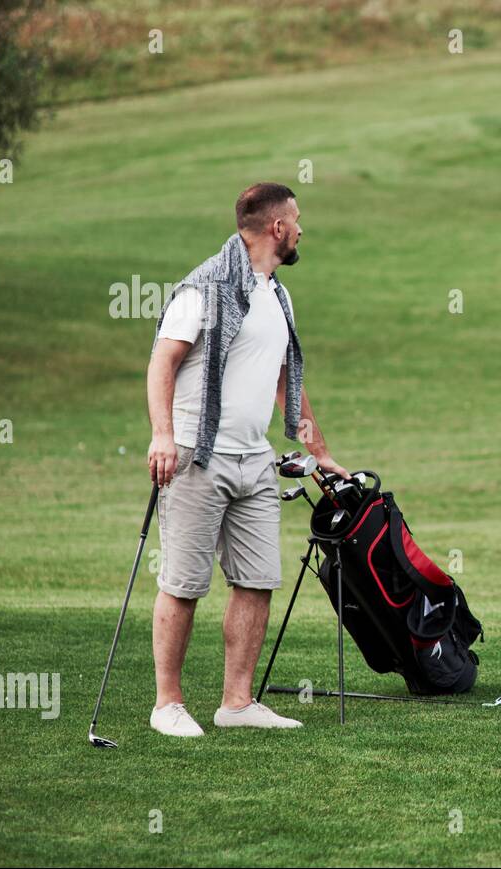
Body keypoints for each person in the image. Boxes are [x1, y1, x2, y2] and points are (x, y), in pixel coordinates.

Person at [144, 182, 348, 737]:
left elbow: (287, 379)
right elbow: (163, 362)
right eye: (298, 220)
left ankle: (236, 702)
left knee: (257, 580)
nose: (303, 229)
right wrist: (162, 435)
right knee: (184, 583)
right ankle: (168, 704)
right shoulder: (204, 288)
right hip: (196, 456)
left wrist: (320, 452)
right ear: (277, 228)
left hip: (255, 460)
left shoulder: (276, 294)